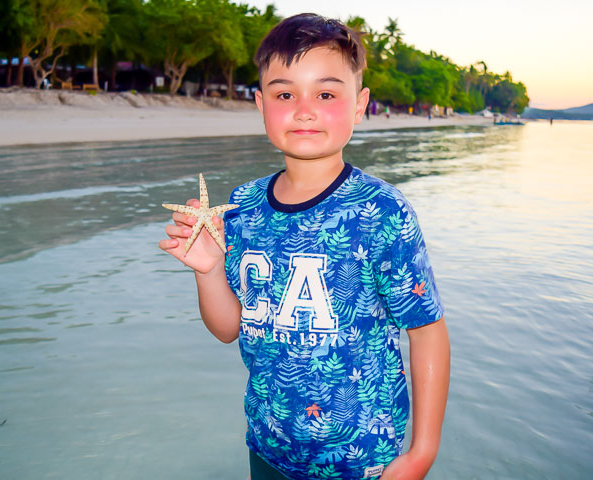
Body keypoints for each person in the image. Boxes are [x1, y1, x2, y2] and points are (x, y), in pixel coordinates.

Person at [159, 13, 450, 480]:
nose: (304, 108)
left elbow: (426, 330)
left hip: (364, 460)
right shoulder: (243, 206)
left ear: (360, 105)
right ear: (260, 103)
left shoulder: (381, 210)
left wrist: (422, 452)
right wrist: (208, 270)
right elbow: (230, 328)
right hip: (269, 447)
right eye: (284, 93)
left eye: (327, 93)